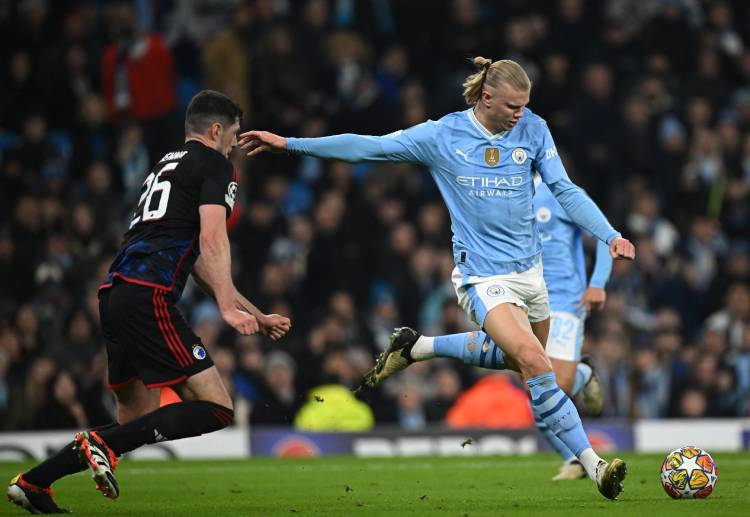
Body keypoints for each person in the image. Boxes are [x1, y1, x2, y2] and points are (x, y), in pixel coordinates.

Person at [239, 58, 635, 500]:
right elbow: (367, 146)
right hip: (482, 278)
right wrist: (290, 144)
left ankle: (419, 346)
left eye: (524, 106)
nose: (520, 114)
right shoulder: (443, 135)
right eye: (512, 106)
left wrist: (610, 235)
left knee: (524, 362)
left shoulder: (534, 129)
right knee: (537, 363)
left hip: (531, 275)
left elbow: (564, 189)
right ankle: (594, 465)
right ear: (487, 98)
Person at [7, 90, 291, 514]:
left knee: (132, 422)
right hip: (148, 296)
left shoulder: (166, 163)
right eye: (232, 134)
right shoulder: (216, 164)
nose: (234, 144)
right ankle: (97, 444)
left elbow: (193, 262)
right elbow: (213, 239)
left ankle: (33, 482)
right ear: (216, 130)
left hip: (115, 295)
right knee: (216, 408)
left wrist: (253, 312)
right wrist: (229, 311)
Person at [359, 174, 614, 481]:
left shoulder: (560, 192)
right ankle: (574, 459)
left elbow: (603, 233)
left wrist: (597, 283)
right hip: (521, 298)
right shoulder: (498, 197)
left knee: (553, 383)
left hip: (565, 301)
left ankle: (583, 377)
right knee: (533, 379)